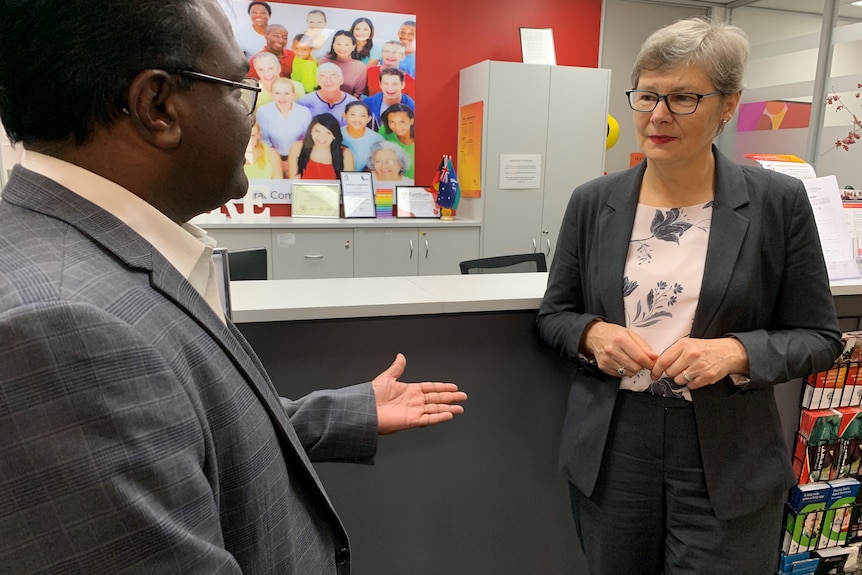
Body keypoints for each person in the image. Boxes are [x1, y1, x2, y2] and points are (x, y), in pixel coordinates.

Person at [0, 2, 467, 574]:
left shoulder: (96, 255)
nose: (253, 115)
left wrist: (348, 412)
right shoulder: (60, 328)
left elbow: (194, 434)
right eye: (239, 87)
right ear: (159, 107)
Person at [535, 17, 841, 574]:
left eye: (683, 98)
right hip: (614, 447)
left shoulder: (778, 203)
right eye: (648, 95)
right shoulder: (592, 202)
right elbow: (554, 314)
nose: (658, 115)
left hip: (725, 453)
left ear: (728, 105)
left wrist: (738, 353)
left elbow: (820, 337)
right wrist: (591, 334)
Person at [256, 78, 312, 175]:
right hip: (271, 157)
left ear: (293, 94)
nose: (282, 98)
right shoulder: (263, 111)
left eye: (286, 93)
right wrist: (278, 162)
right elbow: (264, 139)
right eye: (277, 93)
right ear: (272, 94)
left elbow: (306, 139)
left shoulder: (304, 112)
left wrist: (292, 162)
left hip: (298, 157)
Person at [287, 113, 355, 180]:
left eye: (328, 133)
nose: (321, 137)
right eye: (317, 131)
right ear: (311, 131)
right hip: (303, 191)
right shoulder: (297, 147)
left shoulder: (346, 154)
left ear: (334, 136)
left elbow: (346, 186)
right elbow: (294, 182)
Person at [297, 62, 358, 127]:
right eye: (323, 76)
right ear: (318, 81)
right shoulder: (304, 102)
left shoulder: (353, 102)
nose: (328, 80)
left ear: (341, 80)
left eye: (333, 76)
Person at [317, 30, 367, 99]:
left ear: (353, 47)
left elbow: (358, 94)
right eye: (338, 44)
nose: (342, 48)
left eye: (346, 44)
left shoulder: (360, 67)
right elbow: (318, 86)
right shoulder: (323, 61)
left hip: (348, 104)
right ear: (333, 45)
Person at [364, 67, 415, 132]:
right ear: (380, 84)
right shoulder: (368, 104)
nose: (390, 88)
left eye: (394, 84)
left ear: (403, 85)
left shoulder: (412, 107)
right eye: (386, 84)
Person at [341, 101, 384, 172]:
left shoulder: (377, 139)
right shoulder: (336, 134)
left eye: (363, 115)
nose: (357, 119)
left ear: (369, 119)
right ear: (344, 115)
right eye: (353, 114)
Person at [381, 103, 415, 180]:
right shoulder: (384, 131)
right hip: (391, 182)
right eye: (392, 122)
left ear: (411, 121)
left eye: (402, 122)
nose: (397, 126)